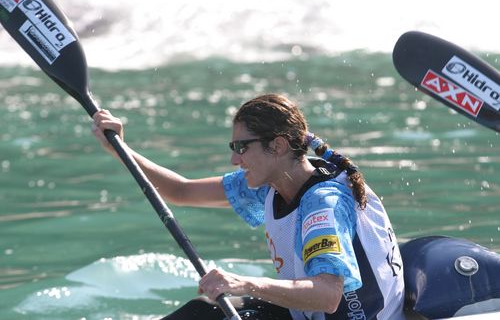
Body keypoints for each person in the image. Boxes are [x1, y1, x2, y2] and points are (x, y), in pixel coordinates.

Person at [92, 94, 405, 320]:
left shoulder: (323, 205)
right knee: (202, 312)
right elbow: (180, 190)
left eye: (242, 147)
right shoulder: (271, 182)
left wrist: (242, 283)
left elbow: (328, 296)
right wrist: (120, 149)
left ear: (278, 146)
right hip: (305, 314)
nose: (234, 159)